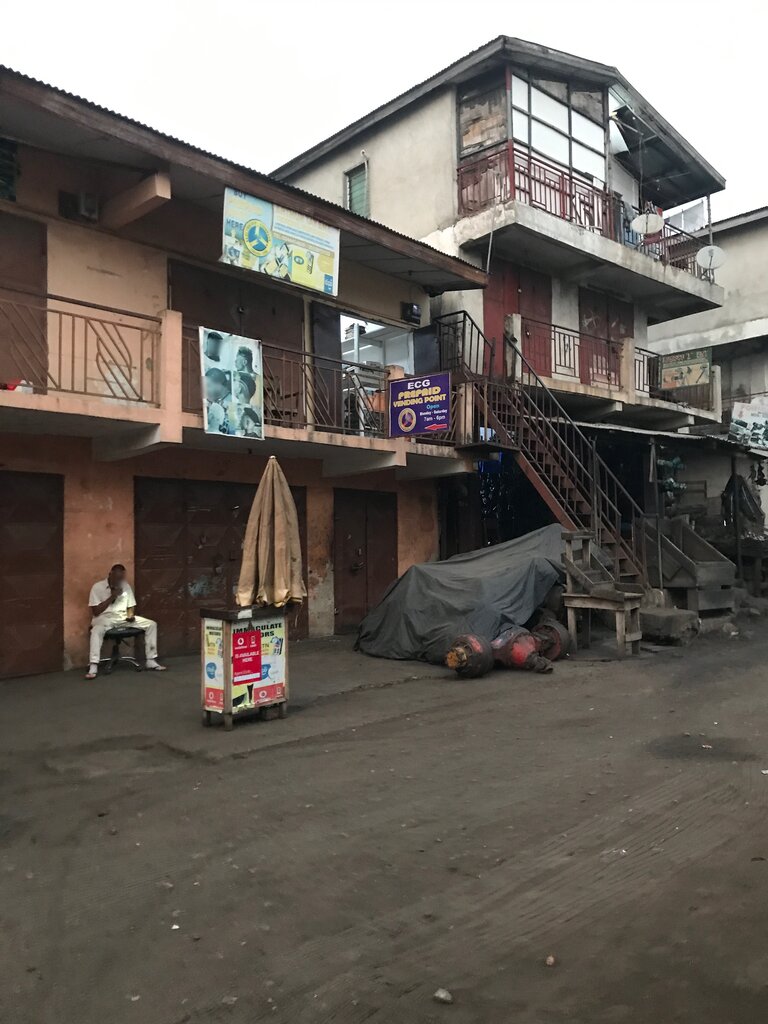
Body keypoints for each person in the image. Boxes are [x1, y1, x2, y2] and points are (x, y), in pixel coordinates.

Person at [86, 564, 166, 679]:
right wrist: (112, 596)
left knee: (151, 624)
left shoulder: (125, 586)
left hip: (122, 617)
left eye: (121, 578)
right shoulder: (97, 587)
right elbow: (96, 611)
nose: (119, 581)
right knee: (96, 631)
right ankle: (93, 665)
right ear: (110, 575)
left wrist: (131, 616)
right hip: (104, 618)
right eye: (116, 578)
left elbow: (130, 606)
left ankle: (151, 660)